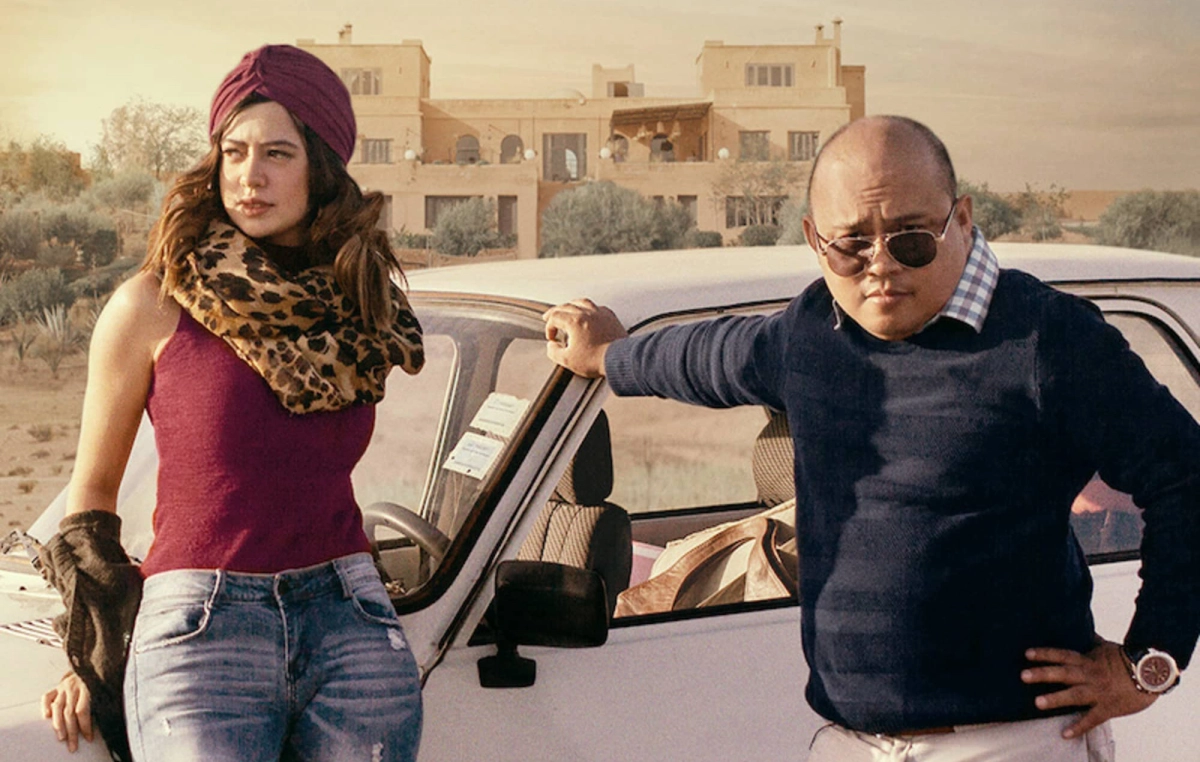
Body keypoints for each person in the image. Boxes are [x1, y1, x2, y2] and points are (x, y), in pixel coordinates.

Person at [542, 115, 1199, 761]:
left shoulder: (1046, 340)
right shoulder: (811, 334)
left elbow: (1186, 478)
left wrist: (1150, 660)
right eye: (851, 244)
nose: (880, 266)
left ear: (962, 219)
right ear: (814, 238)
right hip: (851, 742)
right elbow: (709, 357)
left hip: (1009, 742)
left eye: (910, 239)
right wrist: (608, 356)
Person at [39, 44, 425, 762]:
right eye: (235, 152)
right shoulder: (151, 306)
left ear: (321, 165)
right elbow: (89, 503)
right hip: (200, 629)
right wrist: (96, 651)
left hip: (349, 619)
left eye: (278, 153)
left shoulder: (361, 306)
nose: (250, 176)